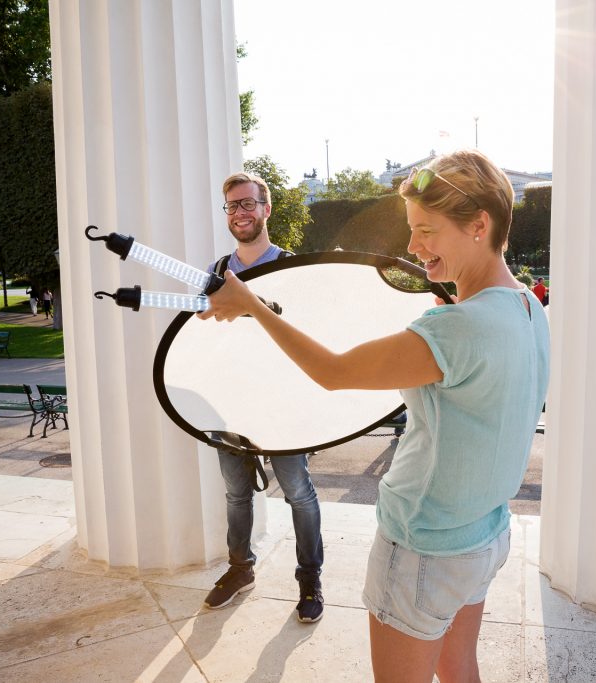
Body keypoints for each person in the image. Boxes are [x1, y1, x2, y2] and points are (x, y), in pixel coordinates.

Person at [199, 150, 550, 681]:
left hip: (422, 546)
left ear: (479, 225)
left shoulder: (456, 330)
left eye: (426, 230)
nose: (412, 246)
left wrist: (250, 304)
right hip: (483, 534)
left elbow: (334, 372)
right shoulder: (527, 307)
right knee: (461, 671)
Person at [200, 171, 325, 624]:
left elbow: (307, 337)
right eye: (232, 206)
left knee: (299, 493)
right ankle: (240, 570)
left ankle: (310, 580)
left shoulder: (292, 267)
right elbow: (202, 339)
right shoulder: (216, 273)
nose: (240, 213)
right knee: (236, 494)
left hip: (282, 405)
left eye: (248, 204)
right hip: (230, 402)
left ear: (266, 209)